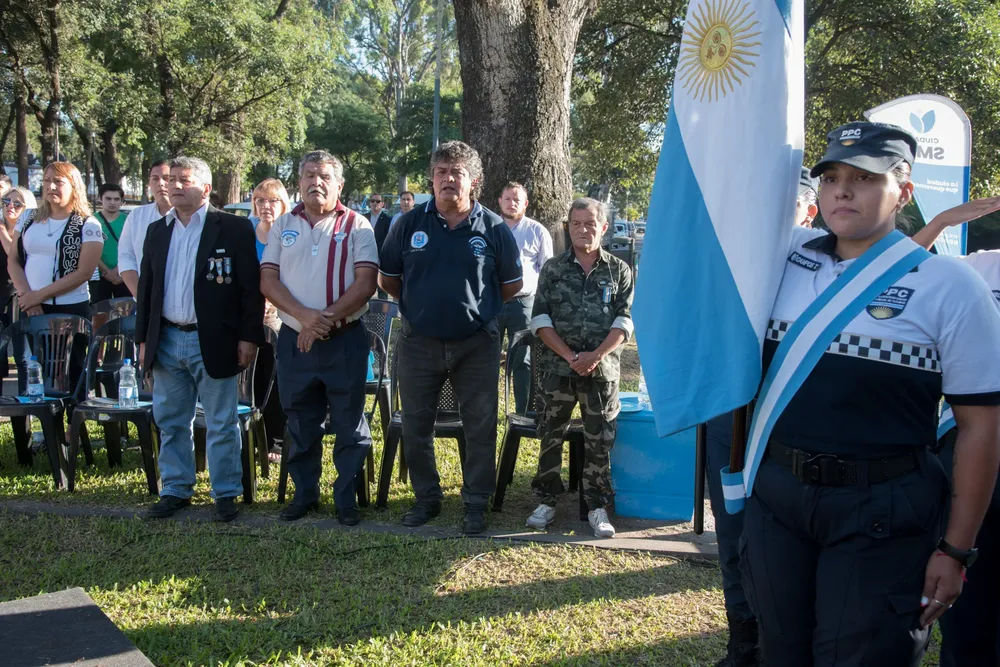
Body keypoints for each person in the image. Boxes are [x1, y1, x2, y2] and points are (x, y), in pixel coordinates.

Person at [740, 122, 1000, 667]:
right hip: (779, 501)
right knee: (780, 654)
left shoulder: (951, 287)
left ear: (904, 192)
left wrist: (955, 550)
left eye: (864, 178)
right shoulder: (782, 259)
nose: (842, 190)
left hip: (883, 511)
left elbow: (979, 427)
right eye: (832, 177)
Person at [703, 166, 822, 667]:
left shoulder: (831, 262)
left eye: (788, 203)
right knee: (732, 539)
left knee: (789, 550)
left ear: (810, 210)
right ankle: (743, 647)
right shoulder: (731, 256)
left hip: (794, 428)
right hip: (728, 420)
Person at [378, 140, 523, 534]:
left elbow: (511, 285)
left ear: (473, 181)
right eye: (441, 171)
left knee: (479, 425)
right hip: (418, 342)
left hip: (476, 344)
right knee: (416, 424)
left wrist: (473, 313)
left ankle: (476, 502)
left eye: (456, 173)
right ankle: (427, 498)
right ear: (431, 177)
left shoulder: (493, 227)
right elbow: (388, 279)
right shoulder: (407, 224)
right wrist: (425, 308)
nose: (447, 179)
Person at [136, 156, 264, 523]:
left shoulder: (233, 229)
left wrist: (249, 337)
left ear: (205, 188)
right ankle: (176, 489)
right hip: (167, 339)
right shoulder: (158, 231)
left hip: (215, 339)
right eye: (170, 179)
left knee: (221, 421)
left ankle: (225, 493)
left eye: (183, 180)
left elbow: (249, 291)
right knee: (171, 419)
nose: (174, 186)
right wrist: (143, 338)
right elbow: (147, 290)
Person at [260, 151, 378, 524]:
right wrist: (304, 319)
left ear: (339, 184)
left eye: (325, 176)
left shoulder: (358, 224)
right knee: (300, 421)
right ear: (298, 182)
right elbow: (268, 280)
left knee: (348, 422)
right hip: (296, 341)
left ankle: (346, 498)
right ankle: (304, 494)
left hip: (344, 340)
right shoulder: (282, 225)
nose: (316, 182)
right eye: (309, 175)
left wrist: (321, 321)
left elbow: (365, 284)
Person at [908, 196, 1000, 667]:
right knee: (969, 620)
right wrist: (942, 221)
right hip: (967, 445)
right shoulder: (979, 267)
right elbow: (895, 270)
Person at [525, 198, 633, 538]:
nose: (583, 230)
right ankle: (546, 502)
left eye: (590, 224)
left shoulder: (619, 270)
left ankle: (597, 507)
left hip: (601, 373)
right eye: (576, 224)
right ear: (568, 228)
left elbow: (625, 321)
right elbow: (540, 320)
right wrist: (571, 356)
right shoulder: (554, 269)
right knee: (550, 435)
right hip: (558, 369)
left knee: (599, 440)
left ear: (603, 227)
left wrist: (595, 356)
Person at [496, 181, 553, 414]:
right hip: (493, 304)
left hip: (524, 304)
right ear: (499, 201)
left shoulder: (537, 231)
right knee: (485, 360)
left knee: (523, 360)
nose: (512, 203)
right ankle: (484, 411)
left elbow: (548, 270)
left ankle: (523, 412)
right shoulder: (488, 228)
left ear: (526, 204)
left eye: (517, 199)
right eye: (507, 198)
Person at [250, 178, 291, 462]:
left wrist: (275, 303)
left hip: (279, 316)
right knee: (253, 377)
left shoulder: (290, 234)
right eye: (261, 200)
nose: (266, 206)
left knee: (275, 377)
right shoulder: (245, 233)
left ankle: (276, 440)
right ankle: (254, 437)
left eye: (273, 200)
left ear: (283, 204)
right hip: (250, 315)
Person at [119, 159, 172, 296]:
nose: (160, 183)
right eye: (155, 179)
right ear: (149, 184)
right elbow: (126, 256)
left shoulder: (188, 217)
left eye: (166, 178)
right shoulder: (136, 216)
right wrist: (140, 293)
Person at [90, 183, 131, 304]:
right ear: (100, 199)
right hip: (99, 276)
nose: (112, 202)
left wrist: (118, 271)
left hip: (124, 274)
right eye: (108, 198)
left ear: (122, 201)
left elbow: (134, 248)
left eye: (116, 199)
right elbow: (89, 251)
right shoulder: (90, 221)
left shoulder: (129, 220)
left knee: (126, 313)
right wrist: (106, 272)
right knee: (100, 314)